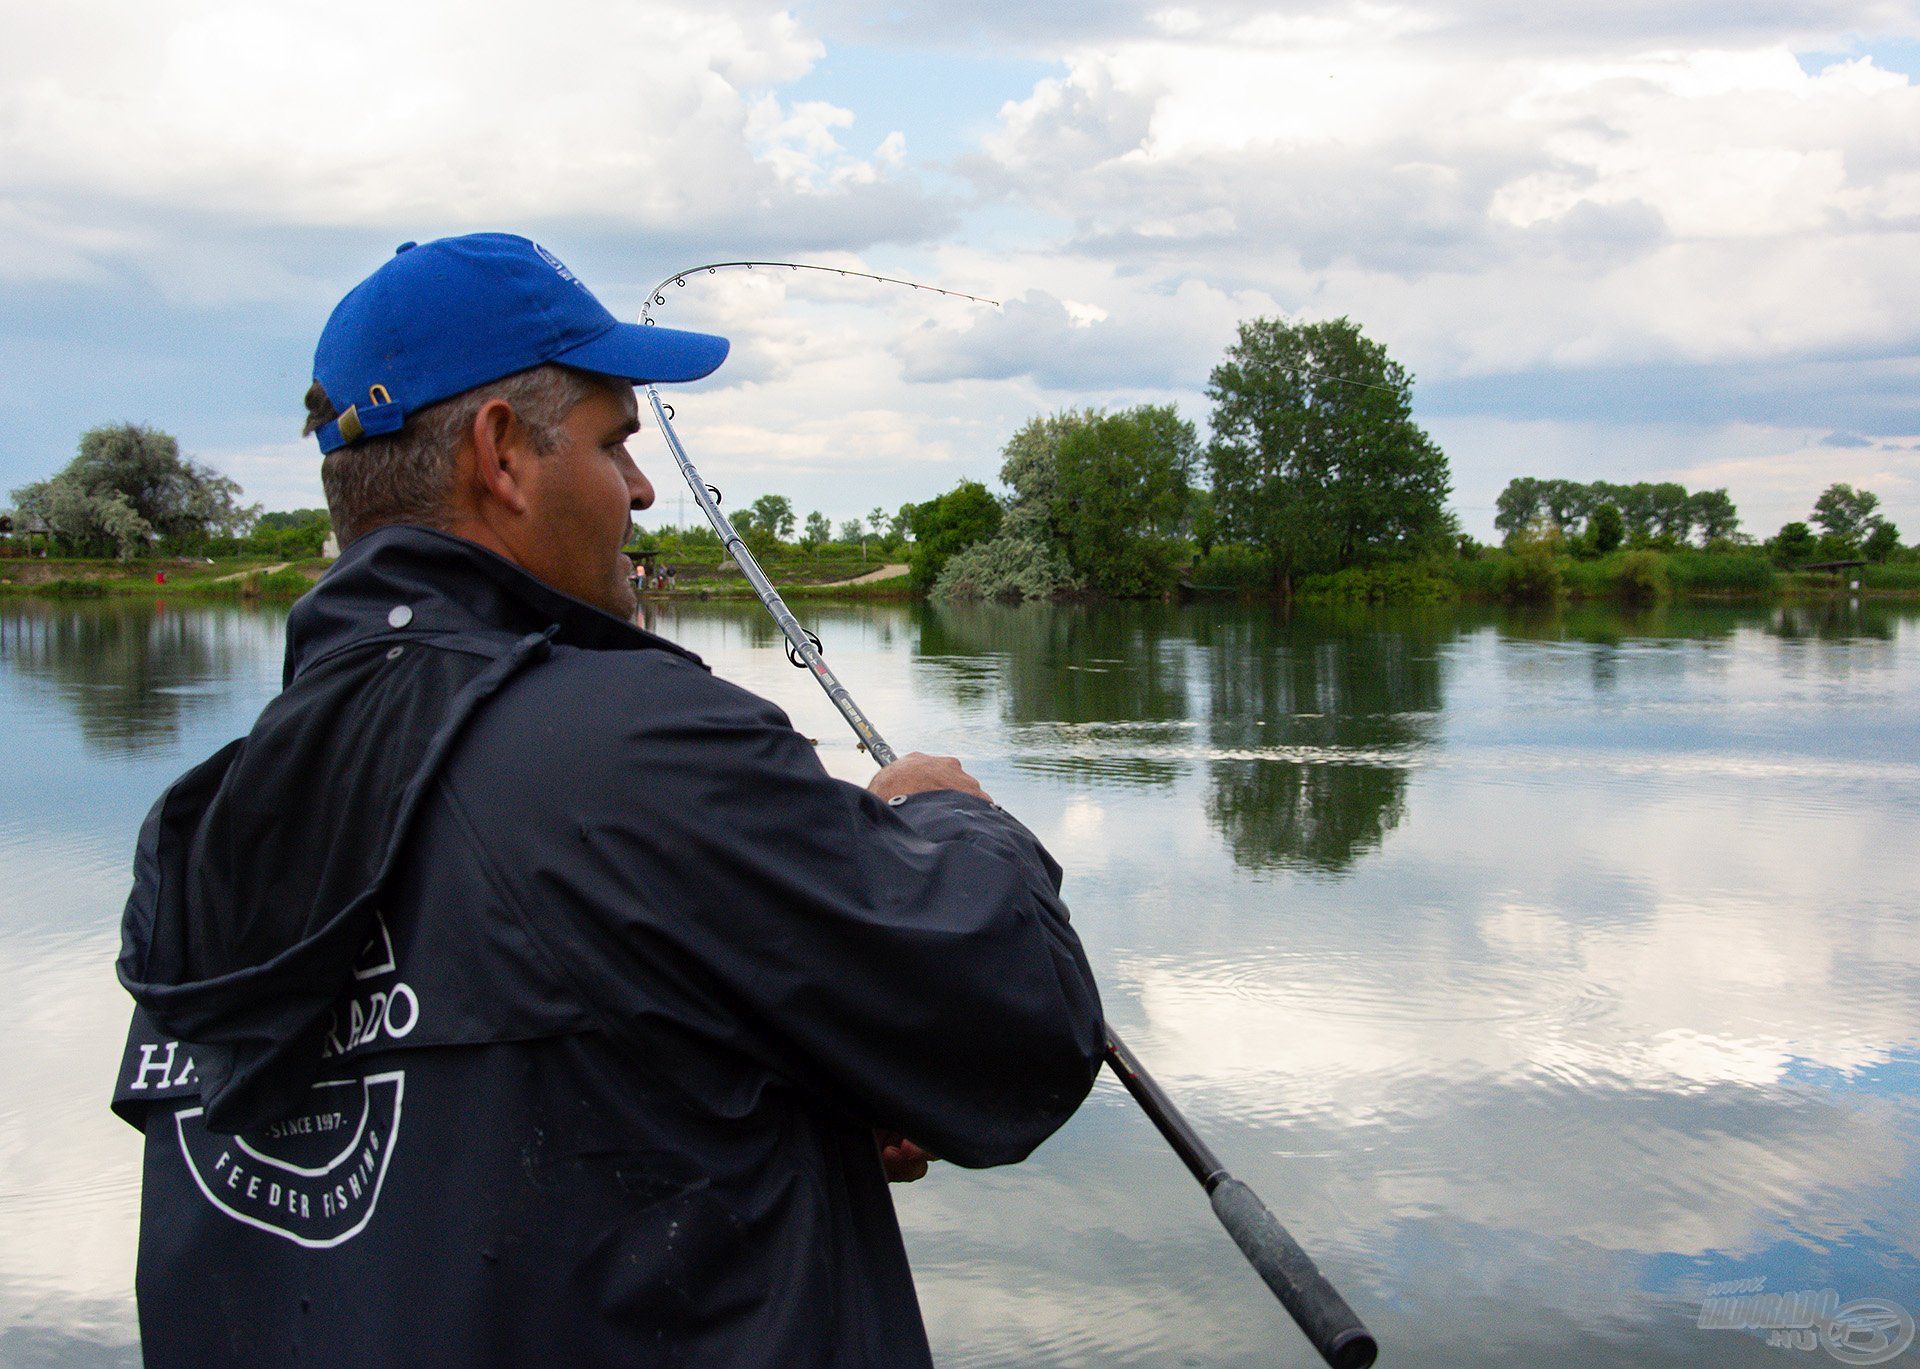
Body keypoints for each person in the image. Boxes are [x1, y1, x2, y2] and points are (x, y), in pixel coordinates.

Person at [110, 233, 1105, 1367]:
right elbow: (1021, 1029)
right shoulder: (635, 747)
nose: (638, 488)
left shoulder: (209, 830)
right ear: (502, 454)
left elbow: (482, 1159)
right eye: (615, 440)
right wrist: (938, 817)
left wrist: (792, 1080)